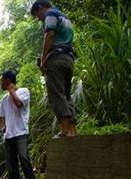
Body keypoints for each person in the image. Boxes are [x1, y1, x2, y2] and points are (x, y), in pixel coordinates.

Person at [31, 0, 77, 138]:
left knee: (56, 94)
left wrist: (43, 59)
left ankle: (65, 130)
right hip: (68, 58)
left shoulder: (50, 14)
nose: (39, 19)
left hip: (56, 59)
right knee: (66, 95)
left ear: (40, 8)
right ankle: (72, 130)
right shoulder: (65, 18)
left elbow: (49, 34)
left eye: (37, 15)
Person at [0, 71, 36, 179]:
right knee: (11, 162)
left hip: (21, 132)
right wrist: (2, 128)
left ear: (8, 80)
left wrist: (11, 90)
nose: (0, 83)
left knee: (24, 157)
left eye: (2, 80)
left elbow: (19, 104)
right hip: (9, 135)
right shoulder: (4, 99)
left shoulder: (24, 91)